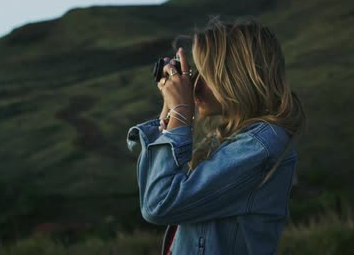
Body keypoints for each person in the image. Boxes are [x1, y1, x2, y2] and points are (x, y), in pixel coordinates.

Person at [126, 16, 306, 255]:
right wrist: (172, 112)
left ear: (235, 76)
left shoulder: (258, 147)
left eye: (204, 73)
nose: (194, 84)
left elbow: (159, 204)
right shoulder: (238, 138)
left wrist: (181, 113)